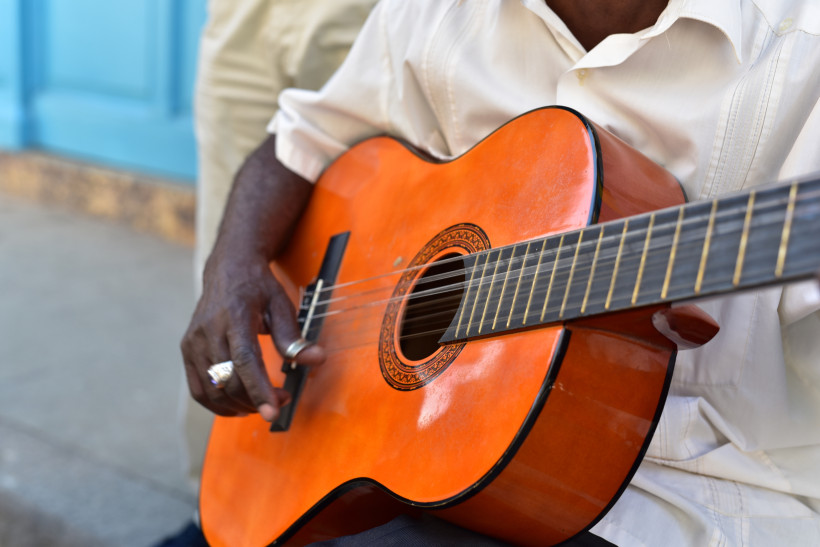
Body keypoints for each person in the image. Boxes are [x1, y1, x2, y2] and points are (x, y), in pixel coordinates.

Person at [181, 0, 820, 544]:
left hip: (713, 496)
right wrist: (232, 266)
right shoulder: (441, 12)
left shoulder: (801, 51)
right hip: (448, 462)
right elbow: (306, 136)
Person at [161, 1, 378, 545]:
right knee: (228, 274)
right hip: (244, 16)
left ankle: (341, 494)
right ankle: (218, 510)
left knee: (377, 243)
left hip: (375, 11)